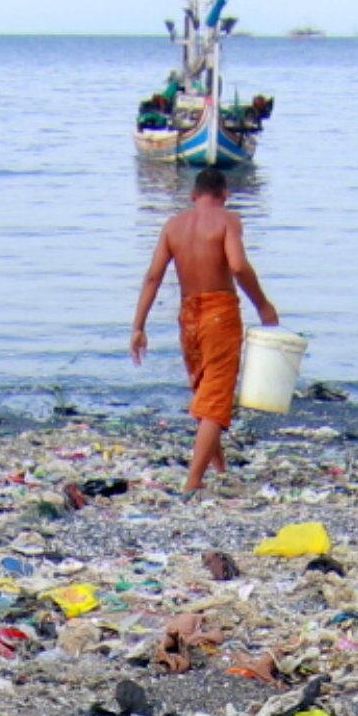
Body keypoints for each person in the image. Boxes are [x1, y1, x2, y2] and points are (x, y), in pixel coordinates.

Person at [130, 164, 280, 495]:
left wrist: (138, 326)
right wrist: (263, 305)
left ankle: (219, 467)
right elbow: (238, 266)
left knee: (204, 389)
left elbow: (153, 276)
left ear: (193, 195)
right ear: (225, 195)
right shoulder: (228, 220)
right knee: (216, 394)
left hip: (188, 314)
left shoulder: (173, 225)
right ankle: (194, 481)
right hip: (218, 312)